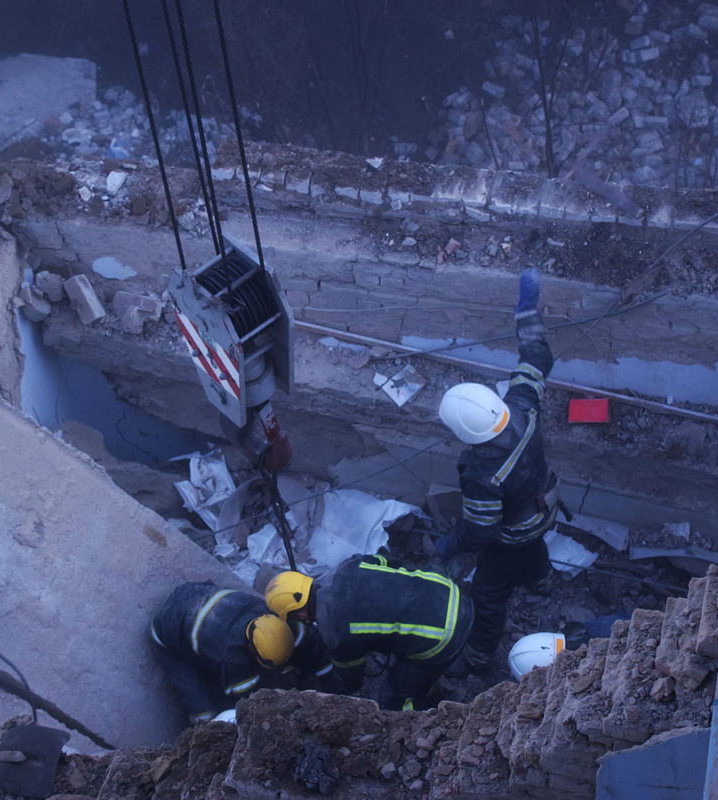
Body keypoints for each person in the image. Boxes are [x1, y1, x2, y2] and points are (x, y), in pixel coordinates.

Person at [434, 267, 562, 674]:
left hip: (510, 535)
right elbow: (537, 359)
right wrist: (527, 312)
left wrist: (449, 545)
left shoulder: (482, 474)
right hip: (544, 509)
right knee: (535, 552)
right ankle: (543, 583)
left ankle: (477, 657)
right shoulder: (520, 408)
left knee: (488, 593)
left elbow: (482, 531)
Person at [265, 554, 474, 711]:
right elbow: (389, 563)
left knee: (393, 696)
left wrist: (342, 689)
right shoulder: (348, 567)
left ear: (298, 614)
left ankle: (412, 728)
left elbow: (352, 675)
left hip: (445, 635)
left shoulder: (335, 633)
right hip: (448, 591)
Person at [150, 581, 334, 723]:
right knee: (203, 710)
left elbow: (310, 641)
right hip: (169, 631)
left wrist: (331, 683)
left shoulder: (274, 620)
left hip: (196, 595)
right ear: (250, 649)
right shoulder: (231, 657)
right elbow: (245, 702)